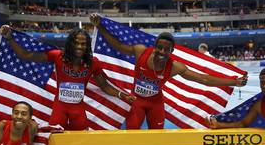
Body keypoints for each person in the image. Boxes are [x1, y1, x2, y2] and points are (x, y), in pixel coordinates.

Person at [90, 13, 248, 129]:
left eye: (166, 50)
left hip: (155, 103)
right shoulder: (141, 51)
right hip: (136, 100)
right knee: (132, 134)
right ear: (155, 47)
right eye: (159, 48)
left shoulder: (174, 67)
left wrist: (234, 81)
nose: (161, 52)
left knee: (158, 137)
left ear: (171, 51)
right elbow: (118, 46)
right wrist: (99, 26)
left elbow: (204, 79)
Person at [0, 25, 135, 131]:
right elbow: (26, 55)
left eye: (83, 44)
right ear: (70, 43)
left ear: (87, 46)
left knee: (81, 141)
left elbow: (104, 85)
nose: (79, 47)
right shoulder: (58, 56)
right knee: (54, 138)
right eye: (76, 43)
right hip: (60, 108)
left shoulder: (93, 63)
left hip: (78, 110)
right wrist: (10, 38)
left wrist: (121, 95)